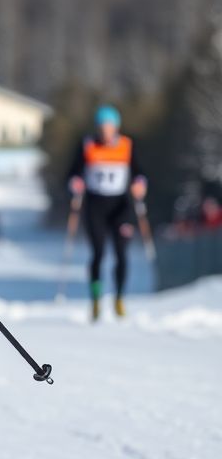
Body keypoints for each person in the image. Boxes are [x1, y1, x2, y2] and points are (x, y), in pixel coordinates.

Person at [68, 104, 147, 320]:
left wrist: (140, 184)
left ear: (116, 128)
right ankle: (95, 300)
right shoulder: (87, 145)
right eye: (102, 127)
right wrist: (75, 182)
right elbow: (74, 171)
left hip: (120, 206)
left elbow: (139, 172)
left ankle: (119, 298)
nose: (105, 132)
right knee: (98, 253)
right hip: (95, 205)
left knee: (121, 254)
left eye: (109, 127)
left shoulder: (126, 145)